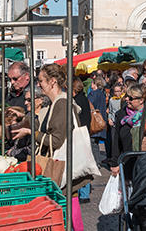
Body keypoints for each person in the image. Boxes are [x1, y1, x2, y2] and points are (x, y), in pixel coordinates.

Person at [13, 64, 90, 230]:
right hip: (61, 165)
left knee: (68, 210)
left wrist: (30, 132)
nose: (39, 84)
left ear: (52, 81)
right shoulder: (55, 103)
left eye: (41, 81)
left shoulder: (61, 104)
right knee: (67, 209)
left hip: (62, 165)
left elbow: (56, 141)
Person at [108, 83, 144, 177]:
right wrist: (115, 163)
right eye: (127, 96)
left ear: (141, 100)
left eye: (131, 98)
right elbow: (116, 141)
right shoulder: (121, 114)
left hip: (144, 163)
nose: (127, 99)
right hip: (126, 162)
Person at [72, 78, 95, 203]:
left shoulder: (77, 101)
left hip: (79, 134)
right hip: (85, 132)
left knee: (81, 164)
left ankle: (84, 193)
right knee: (84, 162)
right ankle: (84, 191)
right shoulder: (84, 98)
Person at [88, 75, 108, 162]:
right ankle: (97, 162)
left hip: (94, 120)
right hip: (100, 120)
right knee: (95, 143)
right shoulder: (102, 94)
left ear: (95, 84)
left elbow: (88, 105)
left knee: (93, 144)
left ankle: (96, 162)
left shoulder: (93, 94)